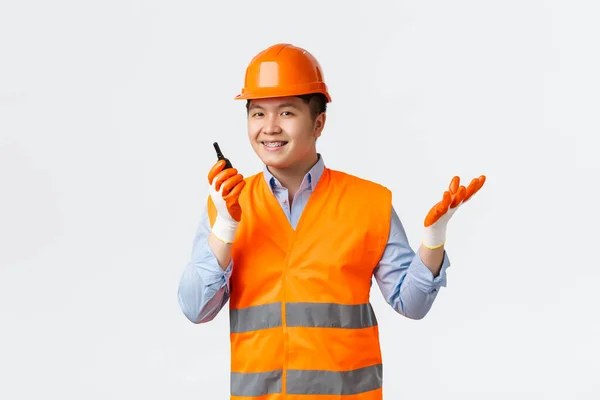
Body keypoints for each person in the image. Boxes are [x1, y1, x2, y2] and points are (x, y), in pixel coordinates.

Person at [177, 43, 486, 399]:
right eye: (258, 113)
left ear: (318, 122)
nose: (270, 128)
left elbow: (412, 304)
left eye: (287, 113)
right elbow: (195, 309)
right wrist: (225, 229)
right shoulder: (226, 205)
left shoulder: (369, 202)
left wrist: (433, 240)